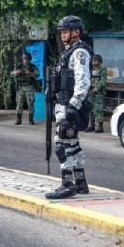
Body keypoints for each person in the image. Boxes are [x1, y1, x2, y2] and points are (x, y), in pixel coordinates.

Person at [46, 15, 92, 200]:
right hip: (63, 103)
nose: (63, 34)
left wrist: (74, 105)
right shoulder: (68, 52)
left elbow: (83, 82)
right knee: (72, 144)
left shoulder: (79, 53)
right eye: (62, 31)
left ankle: (68, 184)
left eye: (66, 31)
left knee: (61, 145)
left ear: (76, 32)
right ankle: (81, 183)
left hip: (70, 105)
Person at [11, 52, 38, 125]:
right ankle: (18, 120)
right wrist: (16, 72)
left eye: (27, 59)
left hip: (29, 87)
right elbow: (11, 74)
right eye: (24, 59)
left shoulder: (33, 67)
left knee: (30, 103)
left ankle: (31, 120)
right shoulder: (19, 66)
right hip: (20, 88)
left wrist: (30, 73)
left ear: (30, 59)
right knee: (19, 103)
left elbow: (37, 74)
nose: (25, 61)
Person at [85, 54, 107, 133]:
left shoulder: (102, 70)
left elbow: (103, 82)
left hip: (98, 93)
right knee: (90, 109)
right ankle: (91, 125)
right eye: (93, 60)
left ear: (100, 61)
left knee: (98, 110)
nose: (94, 62)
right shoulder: (91, 70)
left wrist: (96, 89)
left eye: (96, 60)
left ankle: (100, 127)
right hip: (91, 92)